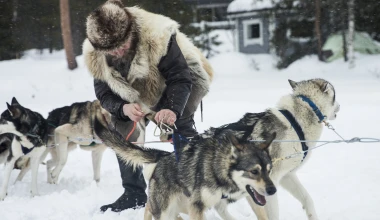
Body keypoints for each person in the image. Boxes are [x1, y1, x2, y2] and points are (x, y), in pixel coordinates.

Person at [82, 0, 213, 212]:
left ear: (131, 32)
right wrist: (123, 108)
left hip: (176, 82)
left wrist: (171, 108)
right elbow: (104, 92)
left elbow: (180, 78)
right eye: (111, 51)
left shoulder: (158, 35)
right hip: (132, 91)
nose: (118, 53)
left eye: (122, 46)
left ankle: (197, 188)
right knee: (121, 127)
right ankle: (133, 193)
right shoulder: (95, 52)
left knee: (180, 125)